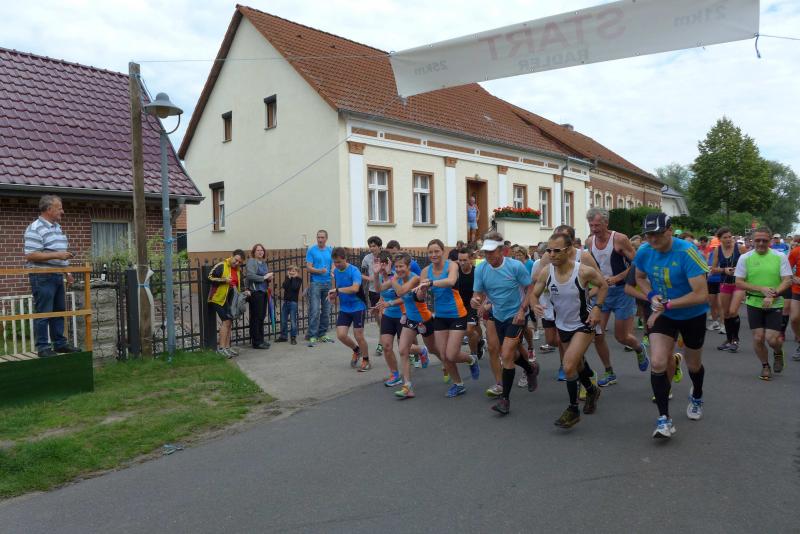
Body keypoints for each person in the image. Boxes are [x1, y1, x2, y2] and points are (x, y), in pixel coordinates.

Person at [633, 213, 710, 440]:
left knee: (693, 364)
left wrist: (666, 304)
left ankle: (697, 394)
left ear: (669, 230)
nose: (652, 239)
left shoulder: (687, 252)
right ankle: (664, 419)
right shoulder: (644, 251)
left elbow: (701, 294)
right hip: (664, 313)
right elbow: (639, 277)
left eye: (657, 234)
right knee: (658, 362)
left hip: (692, 314)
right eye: (648, 234)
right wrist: (652, 295)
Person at [529, 232, 607, 428]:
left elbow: (603, 285)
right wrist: (534, 304)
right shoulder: (547, 272)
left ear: (569, 249)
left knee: (568, 365)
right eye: (549, 250)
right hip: (562, 324)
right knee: (577, 364)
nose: (551, 254)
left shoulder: (583, 271)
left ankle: (573, 410)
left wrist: (597, 308)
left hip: (583, 323)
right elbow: (534, 293)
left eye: (557, 250)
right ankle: (592, 390)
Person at [471, 233, 538, 415]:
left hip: (516, 315)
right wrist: (476, 301)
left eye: (492, 251)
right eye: (486, 252)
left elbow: (530, 287)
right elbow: (477, 294)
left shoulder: (515, 266)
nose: (488, 255)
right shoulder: (481, 269)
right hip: (497, 314)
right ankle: (530, 368)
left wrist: (522, 310)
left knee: (506, 354)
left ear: (503, 251)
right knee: (512, 355)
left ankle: (505, 400)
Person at [585, 208, 649, 384]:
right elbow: (591, 267)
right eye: (591, 225)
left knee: (621, 337)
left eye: (597, 225)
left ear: (606, 223)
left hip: (622, 292)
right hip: (603, 292)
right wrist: (593, 286)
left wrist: (617, 277)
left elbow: (637, 264)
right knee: (597, 335)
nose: (594, 229)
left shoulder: (619, 239)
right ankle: (609, 372)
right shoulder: (589, 242)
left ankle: (639, 348)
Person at [418, 239, 480, 397]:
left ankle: (471, 359)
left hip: (457, 314)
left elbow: (451, 281)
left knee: (452, 354)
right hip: (439, 316)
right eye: (430, 252)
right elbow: (422, 296)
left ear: (443, 252)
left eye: (436, 251)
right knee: (444, 355)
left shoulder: (451, 265)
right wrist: (420, 291)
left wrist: (431, 283)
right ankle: (458, 384)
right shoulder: (425, 271)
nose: (433, 254)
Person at [23, 194, 80, 358]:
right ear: (49, 209)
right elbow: (31, 255)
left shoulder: (57, 228)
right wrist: (57, 255)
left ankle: (60, 344)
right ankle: (43, 347)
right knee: (44, 312)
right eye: (59, 208)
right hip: (42, 277)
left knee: (59, 311)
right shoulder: (35, 228)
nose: (63, 211)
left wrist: (67, 272)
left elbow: (61, 255)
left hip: (57, 276)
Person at [734, 227, 792, 380]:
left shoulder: (779, 256)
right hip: (754, 302)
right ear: (752, 240)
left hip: (775, 302)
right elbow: (739, 282)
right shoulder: (745, 258)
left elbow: (787, 280)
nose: (761, 243)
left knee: (772, 339)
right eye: (758, 240)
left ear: (770, 240)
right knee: (758, 338)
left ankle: (778, 352)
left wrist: (773, 294)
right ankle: (765, 366)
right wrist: (761, 289)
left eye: (764, 240)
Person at [390, 252, 439, 398]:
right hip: (411, 320)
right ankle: (407, 387)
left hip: (424, 320)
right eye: (396, 267)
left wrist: (392, 278)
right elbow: (380, 288)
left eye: (401, 266)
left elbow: (400, 292)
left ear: (408, 266)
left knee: (433, 349)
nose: (398, 269)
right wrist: (377, 274)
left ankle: (447, 364)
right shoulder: (398, 279)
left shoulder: (415, 278)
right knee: (403, 350)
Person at [328, 247, 370, 371]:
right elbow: (339, 289)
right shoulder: (336, 272)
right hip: (345, 308)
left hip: (358, 307)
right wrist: (333, 295)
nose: (336, 264)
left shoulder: (354, 270)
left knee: (358, 336)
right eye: (334, 262)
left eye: (339, 262)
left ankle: (366, 360)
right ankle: (357, 350)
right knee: (341, 335)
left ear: (345, 258)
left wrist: (337, 290)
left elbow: (355, 288)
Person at [208, 249, 250, 358]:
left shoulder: (238, 271)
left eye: (239, 262)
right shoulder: (221, 265)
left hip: (231, 300)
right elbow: (210, 277)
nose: (237, 263)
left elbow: (240, 285)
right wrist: (224, 280)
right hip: (218, 298)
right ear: (231, 256)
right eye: (236, 260)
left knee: (229, 322)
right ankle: (221, 349)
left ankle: (227, 347)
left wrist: (245, 291)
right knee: (226, 321)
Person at [711, 228, 747, 352]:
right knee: (726, 313)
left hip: (738, 283)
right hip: (725, 283)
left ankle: (735, 340)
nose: (728, 239)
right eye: (725, 237)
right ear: (719, 239)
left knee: (733, 311)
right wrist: (724, 270)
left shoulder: (740, 248)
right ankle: (728, 340)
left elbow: (749, 264)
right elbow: (713, 269)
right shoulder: (717, 250)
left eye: (730, 237)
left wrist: (739, 269)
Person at [454, 248, 485, 362]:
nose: (462, 263)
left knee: (470, 329)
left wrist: (481, 305)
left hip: (473, 304)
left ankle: (474, 353)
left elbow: (482, 290)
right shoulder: (455, 271)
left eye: (465, 260)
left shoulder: (476, 272)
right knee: (474, 328)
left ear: (471, 259)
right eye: (460, 260)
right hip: (459, 305)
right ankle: (480, 342)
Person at [306, 230, 334, 346]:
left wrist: (332, 271)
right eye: (318, 237)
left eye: (322, 237)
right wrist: (319, 271)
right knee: (315, 310)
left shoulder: (330, 250)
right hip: (316, 283)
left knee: (326, 310)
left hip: (328, 283)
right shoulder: (311, 250)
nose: (320, 239)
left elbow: (333, 264)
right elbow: (308, 268)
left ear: (326, 238)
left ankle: (322, 334)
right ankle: (312, 335)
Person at [245, 243, 273, 349]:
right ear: (254, 252)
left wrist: (269, 279)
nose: (260, 252)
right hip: (255, 292)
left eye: (262, 250)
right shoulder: (251, 261)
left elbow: (265, 277)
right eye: (258, 250)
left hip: (263, 292)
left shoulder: (264, 263)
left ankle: (261, 339)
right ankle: (256, 342)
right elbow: (250, 276)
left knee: (261, 316)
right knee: (256, 317)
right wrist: (264, 277)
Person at [361, 236, 384, 357]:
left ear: (379, 246)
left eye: (374, 246)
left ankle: (381, 344)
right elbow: (361, 274)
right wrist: (370, 278)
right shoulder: (366, 259)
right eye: (370, 246)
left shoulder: (385, 257)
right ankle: (383, 337)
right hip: (372, 291)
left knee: (382, 316)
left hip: (384, 291)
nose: (372, 248)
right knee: (378, 319)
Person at [275, 264, 302, 344]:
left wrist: (293, 278)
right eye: (290, 271)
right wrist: (289, 278)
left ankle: (293, 337)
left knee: (293, 321)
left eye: (293, 271)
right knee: (283, 320)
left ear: (297, 272)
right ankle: (284, 336)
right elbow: (284, 286)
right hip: (286, 302)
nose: (291, 272)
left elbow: (294, 287)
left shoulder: (299, 279)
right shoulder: (287, 278)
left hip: (293, 303)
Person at [789, 242, 800, 361]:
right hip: (797, 290)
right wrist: (793, 277)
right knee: (794, 318)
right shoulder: (796, 251)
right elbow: (786, 270)